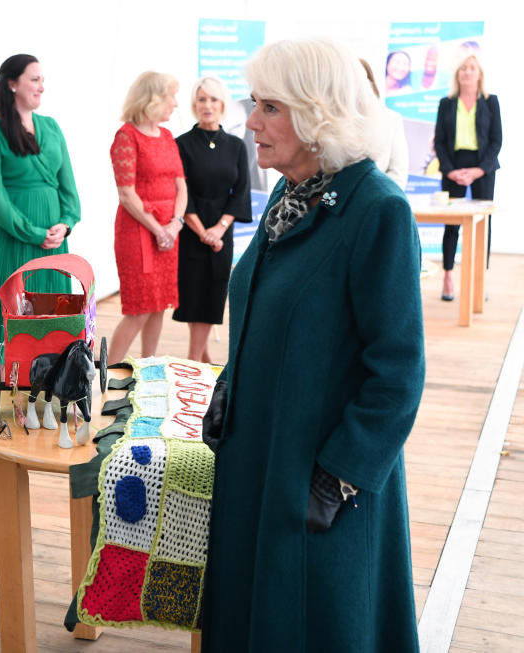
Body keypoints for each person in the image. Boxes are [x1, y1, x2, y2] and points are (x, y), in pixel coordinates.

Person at [198, 39, 425, 652]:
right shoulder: (288, 196)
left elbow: (397, 374)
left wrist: (336, 477)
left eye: (270, 107)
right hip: (258, 464)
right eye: (255, 104)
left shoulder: (376, 211)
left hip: (319, 488)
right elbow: (266, 311)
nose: (250, 121)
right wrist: (229, 388)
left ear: (317, 113)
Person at [0, 54, 81, 360]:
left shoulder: (50, 127)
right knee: (9, 319)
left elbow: (68, 186)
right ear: (12, 84)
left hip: (52, 238)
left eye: (43, 80)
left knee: (49, 316)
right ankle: (8, 393)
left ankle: (45, 389)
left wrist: (66, 223)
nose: (41, 87)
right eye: (34, 79)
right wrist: (33, 232)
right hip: (5, 236)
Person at [107, 72, 186, 363]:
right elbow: (127, 194)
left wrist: (175, 225)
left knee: (158, 305)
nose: (175, 104)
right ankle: (110, 372)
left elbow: (181, 185)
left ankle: (147, 367)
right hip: (138, 231)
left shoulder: (166, 136)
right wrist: (159, 229)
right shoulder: (126, 137)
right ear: (152, 100)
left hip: (168, 229)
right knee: (139, 308)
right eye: (171, 97)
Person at [173, 76, 251, 363]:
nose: (207, 105)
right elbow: (182, 192)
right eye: (202, 99)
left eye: (213, 99)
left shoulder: (236, 146)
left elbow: (240, 190)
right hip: (192, 232)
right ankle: (195, 361)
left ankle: (198, 360)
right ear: (195, 104)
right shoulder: (181, 144)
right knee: (195, 298)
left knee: (212, 296)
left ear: (223, 104)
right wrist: (202, 231)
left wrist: (218, 229)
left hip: (221, 233)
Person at [434, 53, 501, 301]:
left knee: (483, 224)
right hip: (454, 166)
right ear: (457, 75)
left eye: (471, 68)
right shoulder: (446, 103)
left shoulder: (491, 102)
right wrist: (451, 170)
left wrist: (479, 170)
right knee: (451, 225)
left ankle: (479, 282)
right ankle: (448, 277)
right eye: (463, 68)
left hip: (483, 168)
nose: (467, 72)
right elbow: (439, 141)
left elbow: (496, 141)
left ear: (479, 74)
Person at [361, 58, 409, 189]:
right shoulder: (329, 122)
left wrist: (371, 198)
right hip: (337, 204)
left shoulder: (391, 119)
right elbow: (326, 183)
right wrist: (329, 206)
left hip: (378, 201)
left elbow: (398, 172)